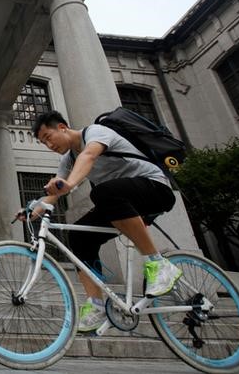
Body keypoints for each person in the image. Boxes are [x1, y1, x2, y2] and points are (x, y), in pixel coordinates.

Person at [17, 110, 182, 333]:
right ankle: (95, 305)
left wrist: (70, 183)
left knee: (103, 193)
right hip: (120, 201)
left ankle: (159, 264)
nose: (49, 145)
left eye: (48, 137)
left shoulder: (96, 132)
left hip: (155, 189)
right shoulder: (68, 159)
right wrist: (31, 211)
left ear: (63, 128)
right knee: (78, 237)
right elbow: (55, 194)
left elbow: (89, 156)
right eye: (43, 143)